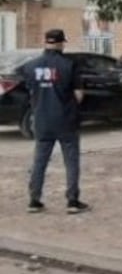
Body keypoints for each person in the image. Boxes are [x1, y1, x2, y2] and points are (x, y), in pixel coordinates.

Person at [18, 29, 89, 214]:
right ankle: (72, 201)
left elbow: (30, 91)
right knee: (71, 161)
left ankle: (34, 200)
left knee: (40, 161)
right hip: (66, 120)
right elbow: (79, 95)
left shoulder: (30, 66)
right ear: (60, 43)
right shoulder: (69, 65)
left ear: (45, 42)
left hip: (42, 120)